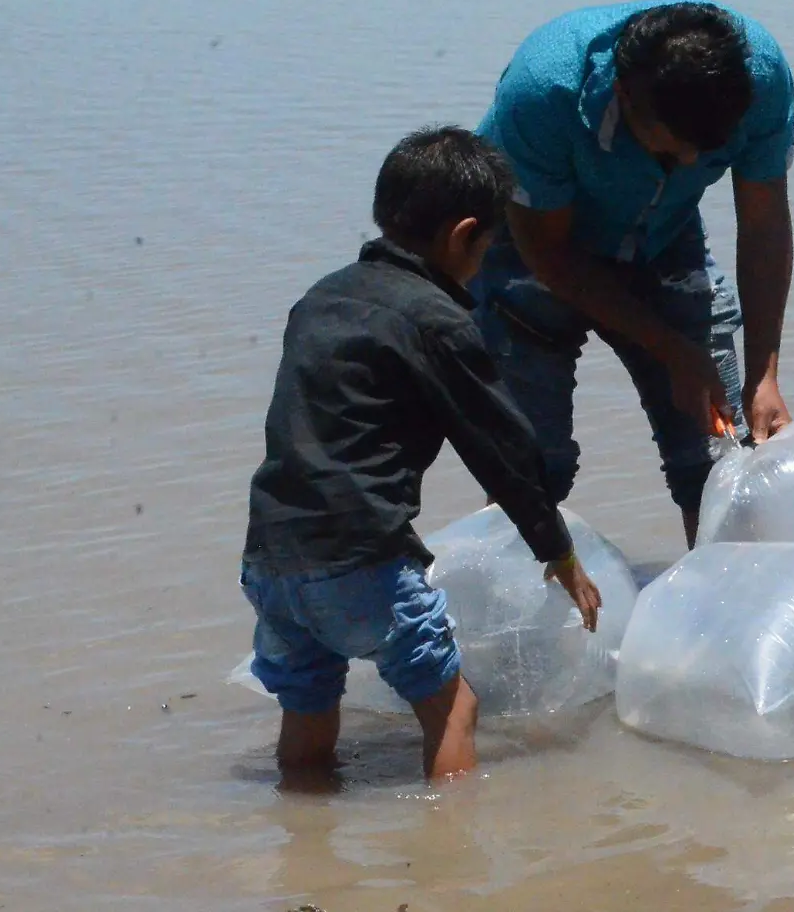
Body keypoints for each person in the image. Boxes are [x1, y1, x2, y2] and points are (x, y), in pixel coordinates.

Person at [241, 126, 603, 786]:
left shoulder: (319, 298)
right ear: (465, 235)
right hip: (364, 561)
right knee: (453, 707)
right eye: (488, 243)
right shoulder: (436, 320)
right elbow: (501, 449)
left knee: (309, 706)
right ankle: (446, 866)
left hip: (271, 559)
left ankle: (304, 847)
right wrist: (559, 551)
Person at [472, 0, 794, 545]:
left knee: (717, 464)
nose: (692, 164)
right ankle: (527, 619)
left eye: (707, 150)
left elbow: (764, 225)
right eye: (672, 152)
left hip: (662, 233)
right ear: (624, 99)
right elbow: (549, 256)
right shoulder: (543, 92)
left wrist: (765, 372)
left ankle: (717, 613)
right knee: (531, 470)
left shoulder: (759, 77)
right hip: (531, 238)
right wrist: (673, 351)